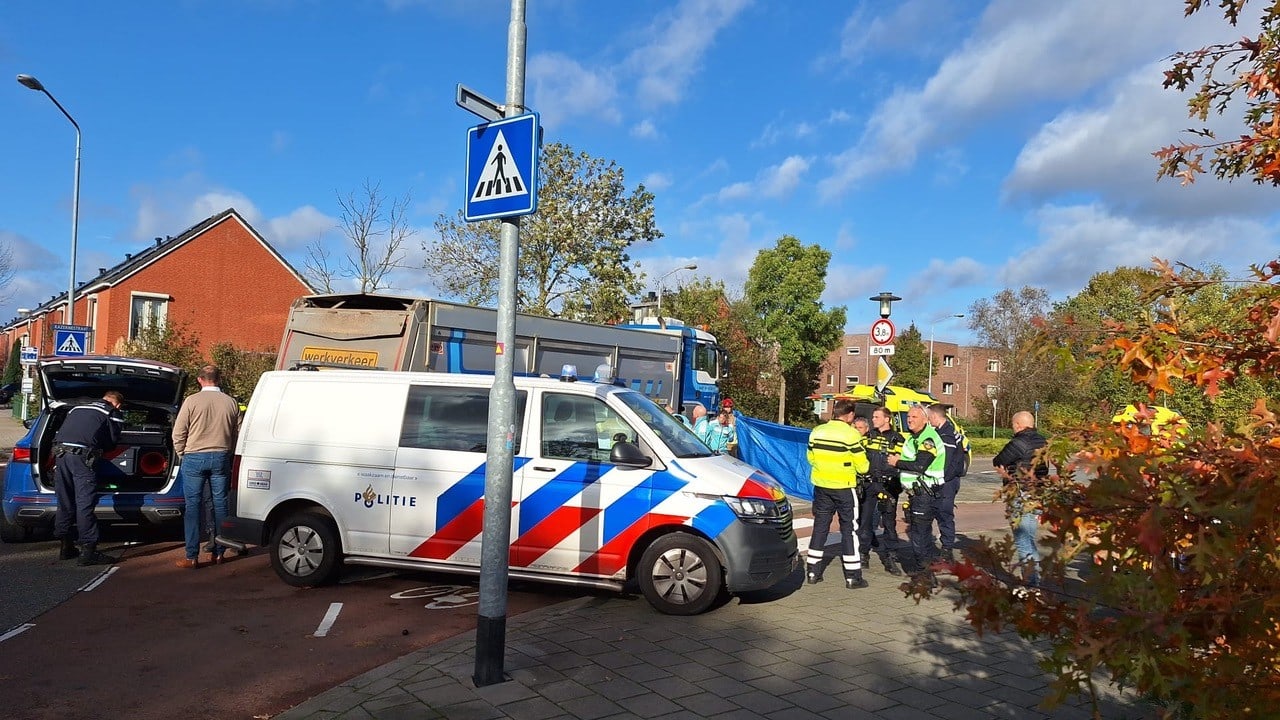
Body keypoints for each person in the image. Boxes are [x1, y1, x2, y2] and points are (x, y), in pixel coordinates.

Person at [172, 366, 241, 568]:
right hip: (221, 456)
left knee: (193, 507)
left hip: (194, 456)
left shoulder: (191, 401)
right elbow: (238, 432)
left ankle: (191, 556)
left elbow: (178, 432)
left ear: (200, 380)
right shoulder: (231, 402)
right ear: (219, 379)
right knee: (220, 505)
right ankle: (220, 552)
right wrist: (229, 452)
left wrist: (181, 453)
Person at [52, 390, 126, 566]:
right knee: (84, 503)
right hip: (82, 459)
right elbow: (112, 441)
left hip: (61, 455)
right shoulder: (111, 412)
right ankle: (88, 551)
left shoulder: (76, 408)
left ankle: (66, 546)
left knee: (65, 501)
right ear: (118, 404)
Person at [805, 399, 871, 589]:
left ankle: (812, 571)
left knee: (820, 527)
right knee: (849, 530)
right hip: (844, 487)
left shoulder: (817, 432)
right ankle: (853, 577)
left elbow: (810, 457)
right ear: (850, 415)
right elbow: (863, 466)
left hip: (821, 486)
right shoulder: (852, 435)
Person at [887, 405, 947, 581]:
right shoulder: (915, 437)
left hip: (925, 494)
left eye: (914, 417)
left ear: (925, 419)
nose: (909, 419)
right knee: (922, 534)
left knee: (919, 535)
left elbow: (920, 465)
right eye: (908, 417)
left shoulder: (928, 438)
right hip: (919, 494)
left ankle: (924, 576)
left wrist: (897, 462)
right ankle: (928, 573)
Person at [992, 410, 1049, 587]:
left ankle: (1031, 585)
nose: (1012, 427)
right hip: (1036, 494)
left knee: (1024, 541)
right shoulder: (1043, 441)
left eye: (1012, 424)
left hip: (1019, 494)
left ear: (1018, 424)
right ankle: (1034, 581)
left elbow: (998, 460)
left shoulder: (1018, 442)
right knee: (1030, 538)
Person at [860, 405, 905, 575]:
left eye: (876, 417)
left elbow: (902, 462)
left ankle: (891, 557)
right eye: (873, 417)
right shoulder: (868, 437)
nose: (873, 420)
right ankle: (863, 554)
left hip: (888, 485)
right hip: (869, 483)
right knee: (864, 521)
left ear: (887, 419)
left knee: (889, 522)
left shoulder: (898, 439)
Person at [926, 403, 967, 563]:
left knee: (944, 514)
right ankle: (941, 547)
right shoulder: (944, 431)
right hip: (945, 480)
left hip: (947, 482)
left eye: (929, 417)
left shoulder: (947, 435)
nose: (929, 420)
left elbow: (947, 462)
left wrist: (941, 479)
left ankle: (947, 550)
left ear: (935, 416)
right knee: (937, 513)